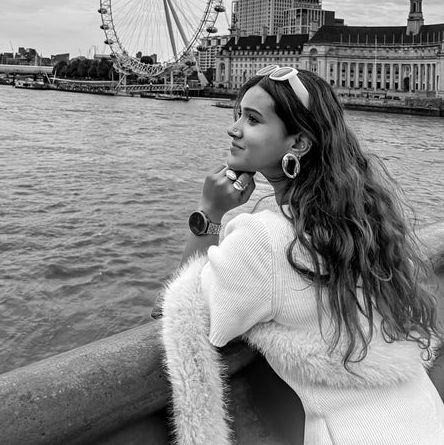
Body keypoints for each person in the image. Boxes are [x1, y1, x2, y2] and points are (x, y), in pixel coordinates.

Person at [161, 66, 444, 445]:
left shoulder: (262, 238)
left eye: (252, 119)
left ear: (298, 143)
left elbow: (186, 311)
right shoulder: (363, 225)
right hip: (427, 419)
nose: (234, 129)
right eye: (238, 115)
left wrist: (209, 213)